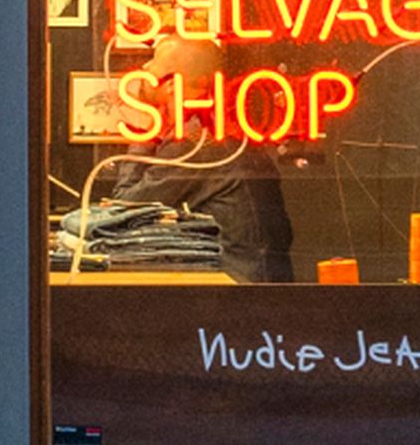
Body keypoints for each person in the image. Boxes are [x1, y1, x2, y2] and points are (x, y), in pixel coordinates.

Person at [101, 31, 295, 283]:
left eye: (153, 62)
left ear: (171, 84)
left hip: (237, 290)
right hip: (258, 281)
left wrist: (144, 129)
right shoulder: (219, 128)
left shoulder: (194, 142)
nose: (144, 67)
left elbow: (125, 210)